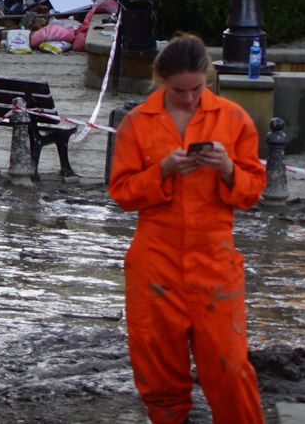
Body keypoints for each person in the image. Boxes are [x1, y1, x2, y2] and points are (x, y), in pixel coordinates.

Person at [108, 33, 266, 424]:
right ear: (161, 80)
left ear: (208, 78)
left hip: (214, 260)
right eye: (180, 91)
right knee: (158, 368)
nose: (190, 98)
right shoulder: (137, 122)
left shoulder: (233, 118)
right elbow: (122, 193)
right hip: (154, 262)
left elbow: (252, 191)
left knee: (229, 366)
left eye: (198, 88)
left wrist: (228, 169)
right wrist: (162, 170)